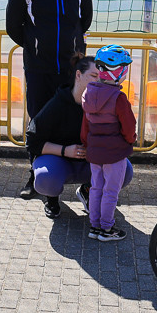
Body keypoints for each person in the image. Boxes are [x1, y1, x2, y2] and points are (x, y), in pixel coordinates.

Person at [6, 0, 93, 199]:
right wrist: (36, 47)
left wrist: (72, 48)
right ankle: (37, 176)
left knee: (74, 120)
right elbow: (13, 27)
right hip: (39, 70)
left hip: (71, 71)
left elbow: (85, 20)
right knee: (38, 122)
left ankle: (79, 176)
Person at [25, 56, 133, 220]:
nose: (99, 81)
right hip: (58, 160)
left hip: (91, 161)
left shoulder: (108, 101)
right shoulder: (58, 103)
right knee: (45, 178)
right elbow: (32, 141)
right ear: (78, 75)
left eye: (102, 77)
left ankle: (88, 190)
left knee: (125, 170)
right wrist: (65, 151)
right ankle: (52, 199)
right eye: (93, 75)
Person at [81, 45, 136, 241]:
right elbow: (128, 126)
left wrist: (87, 144)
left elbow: (85, 125)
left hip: (95, 152)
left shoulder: (88, 94)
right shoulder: (119, 98)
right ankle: (106, 228)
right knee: (111, 191)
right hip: (115, 153)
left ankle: (94, 226)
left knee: (96, 188)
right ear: (118, 72)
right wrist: (130, 140)